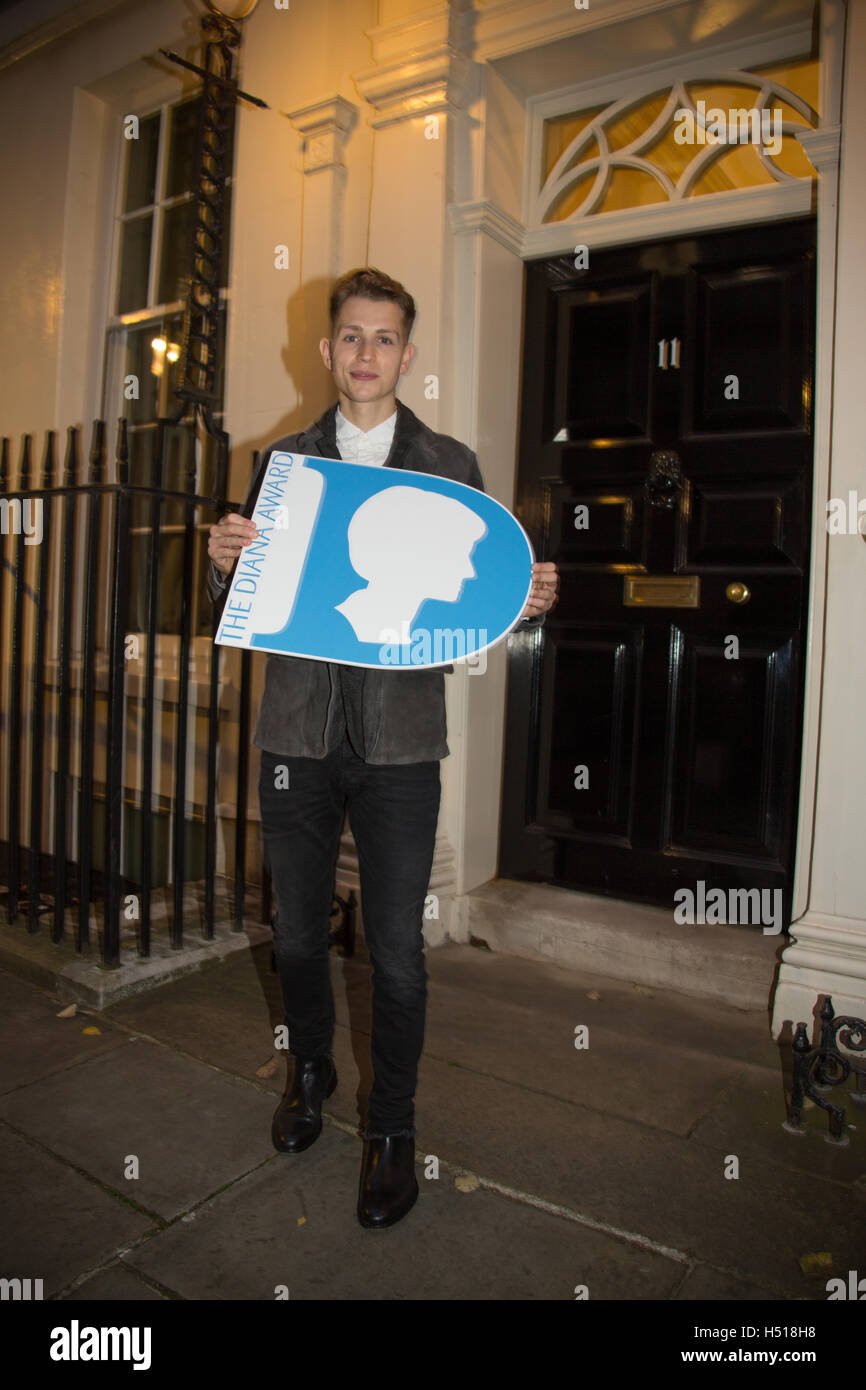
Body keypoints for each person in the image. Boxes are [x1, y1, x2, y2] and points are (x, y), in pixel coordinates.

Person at [207, 267, 559, 1229]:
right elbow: (245, 608)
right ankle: (309, 1068)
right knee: (295, 935)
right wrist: (221, 562)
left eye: (385, 339)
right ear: (329, 351)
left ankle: (393, 1129)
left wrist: (520, 605)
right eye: (351, 338)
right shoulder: (282, 462)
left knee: (398, 954)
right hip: (296, 735)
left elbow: (475, 614)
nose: (367, 355)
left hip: (403, 743)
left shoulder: (451, 465)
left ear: (409, 353)